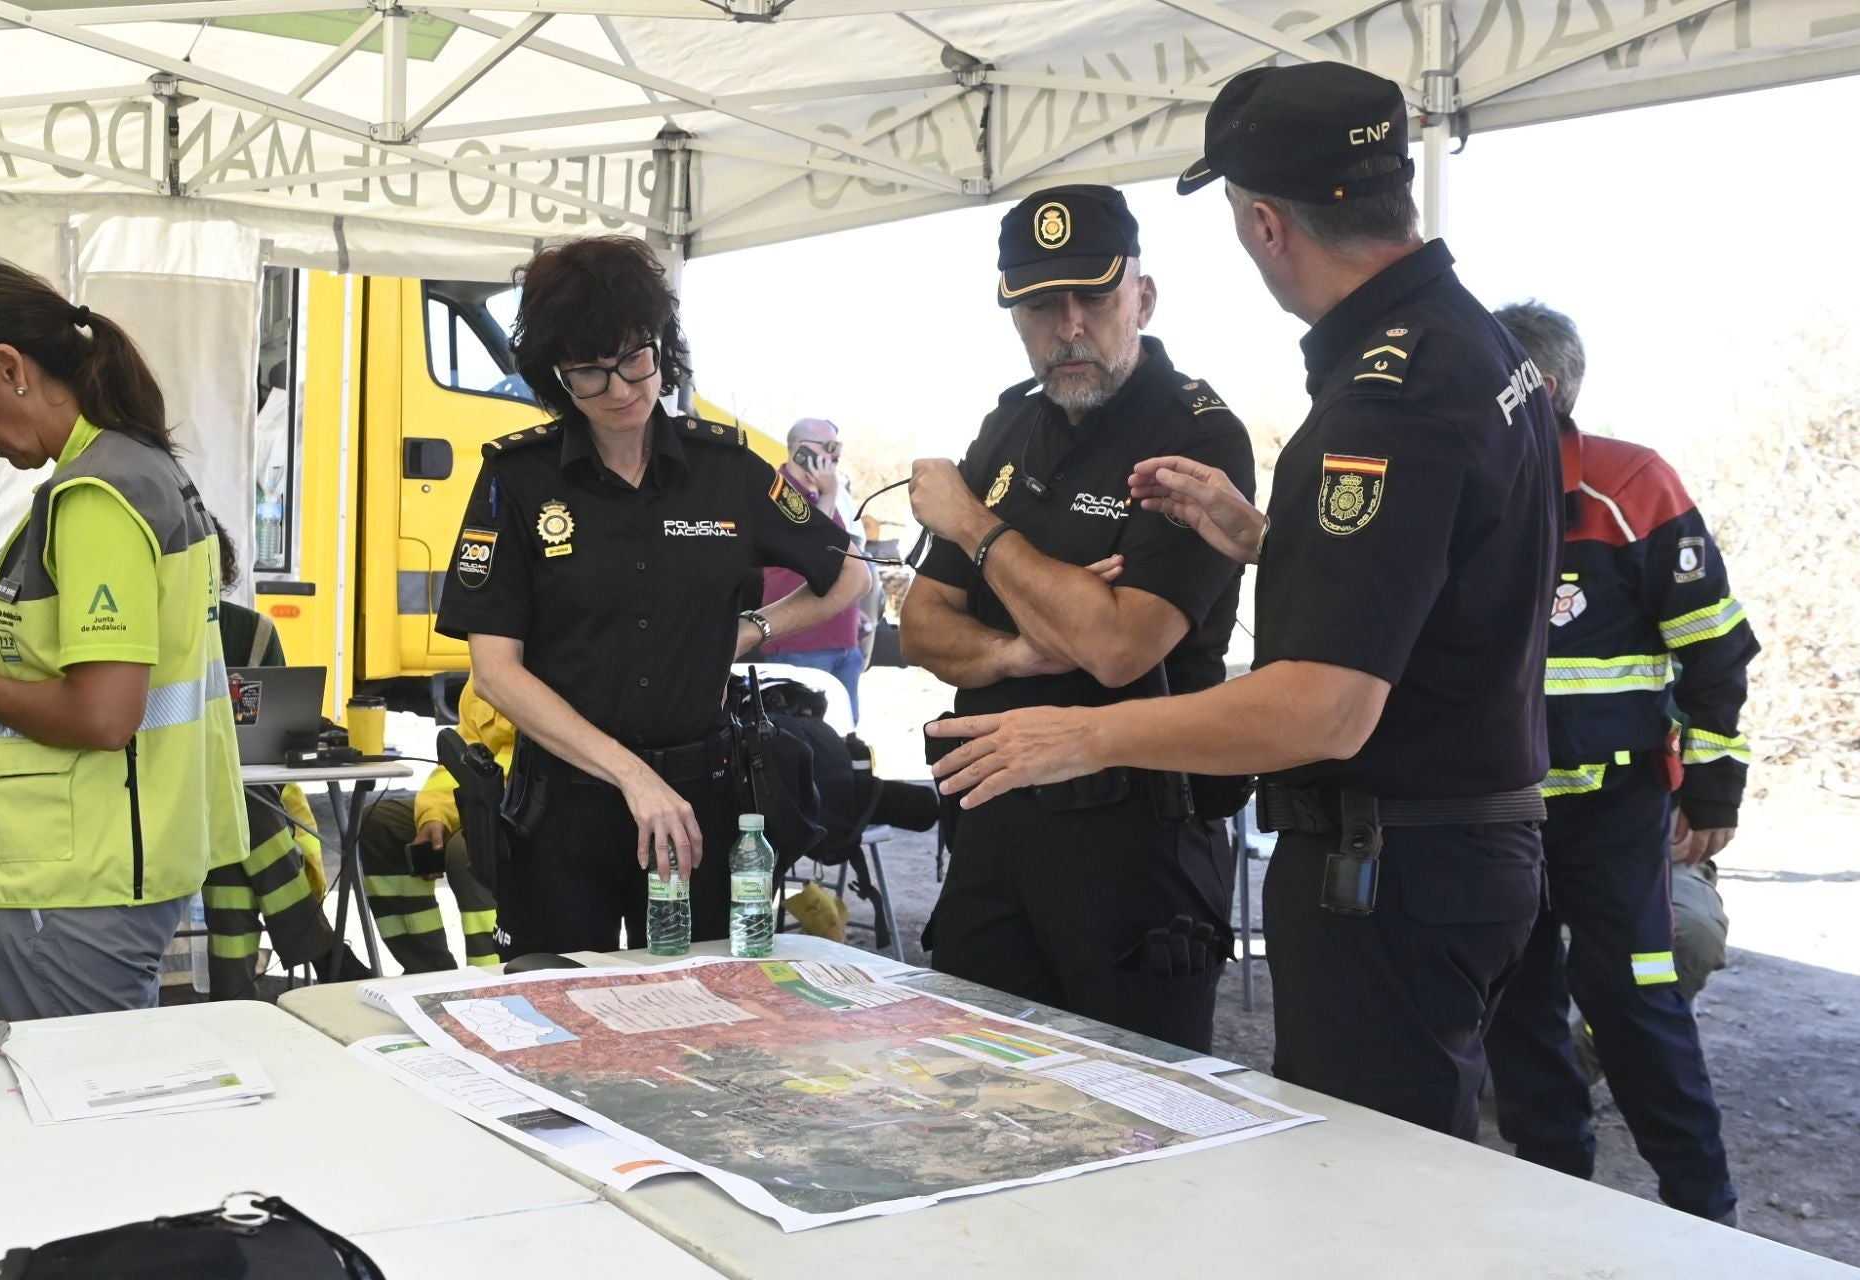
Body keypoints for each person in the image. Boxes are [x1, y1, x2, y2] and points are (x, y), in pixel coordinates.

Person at [926, 64, 1562, 1138]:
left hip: (1392, 857)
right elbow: (1430, 586)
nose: (1070, 323)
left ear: (1264, 223)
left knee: (1366, 1191)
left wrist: (1084, 736)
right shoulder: (1466, 343)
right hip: (1436, 849)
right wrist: (1267, 540)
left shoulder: (1389, 391)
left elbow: (1324, 706)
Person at [434, 236, 869, 958]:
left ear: (661, 345)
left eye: (636, 357)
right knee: (556, 1017)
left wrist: (751, 629)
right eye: (589, 373)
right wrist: (633, 777)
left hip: (700, 803)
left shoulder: (726, 471)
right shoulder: (518, 480)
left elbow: (846, 574)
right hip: (564, 808)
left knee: (708, 1023)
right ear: (555, 375)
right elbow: (496, 671)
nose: (622, 389)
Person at [902, 183, 1256, 1053]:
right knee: (976, 1103)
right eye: (1037, 304)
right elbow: (921, 624)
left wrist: (976, 529)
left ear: (1142, 295)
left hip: (1133, 849)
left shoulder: (1197, 436)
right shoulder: (1012, 424)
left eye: (1092, 298)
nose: (1067, 327)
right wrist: (1016, 651)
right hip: (993, 832)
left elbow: (1115, 647)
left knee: (1141, 1124)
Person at [1482, 302, 1753, 1224]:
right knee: (1518, 1015)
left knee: (1637, 1012)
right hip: (1498, 814)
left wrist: (1715, 786)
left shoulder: (1629, 484)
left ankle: (1705, 1214)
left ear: (1539, 389)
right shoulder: (1464, 484)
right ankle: (1553, 1202)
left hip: (1612, 813)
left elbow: (1715, 647)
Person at [0, 258, 246, 1019]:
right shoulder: (138, 469)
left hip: (75, 874)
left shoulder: (94, 494)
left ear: (8, 367)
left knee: (70, 1112)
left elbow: (102, 715)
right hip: (117, 859)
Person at [203, 521, 369, 994]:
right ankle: (320, 947)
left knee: (233, 840)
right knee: (240, 806)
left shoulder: (253, 632)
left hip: (238, 801)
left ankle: (232, 1000)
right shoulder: (153, 631)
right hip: (165, 798)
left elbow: (280, 727)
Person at [358, 675, 506, 971]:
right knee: (380, 824)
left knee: (466, 848)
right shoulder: (487, 672)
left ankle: (492, 979)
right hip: (480, 795)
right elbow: (464, 757)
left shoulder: (552, 663)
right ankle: (427, 972)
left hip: (528, 801)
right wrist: (434, 815)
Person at [755, 417, 873, 722]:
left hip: (842, 641)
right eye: (830, 447)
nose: (835, 456)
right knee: (807, 744)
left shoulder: (822, 495)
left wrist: (850, 606)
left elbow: (841, 560)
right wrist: (830, 494)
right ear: (800, 450)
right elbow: (811, 554)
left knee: (844, 745)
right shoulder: (774, 491)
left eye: (838, 448)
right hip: (800, 644)